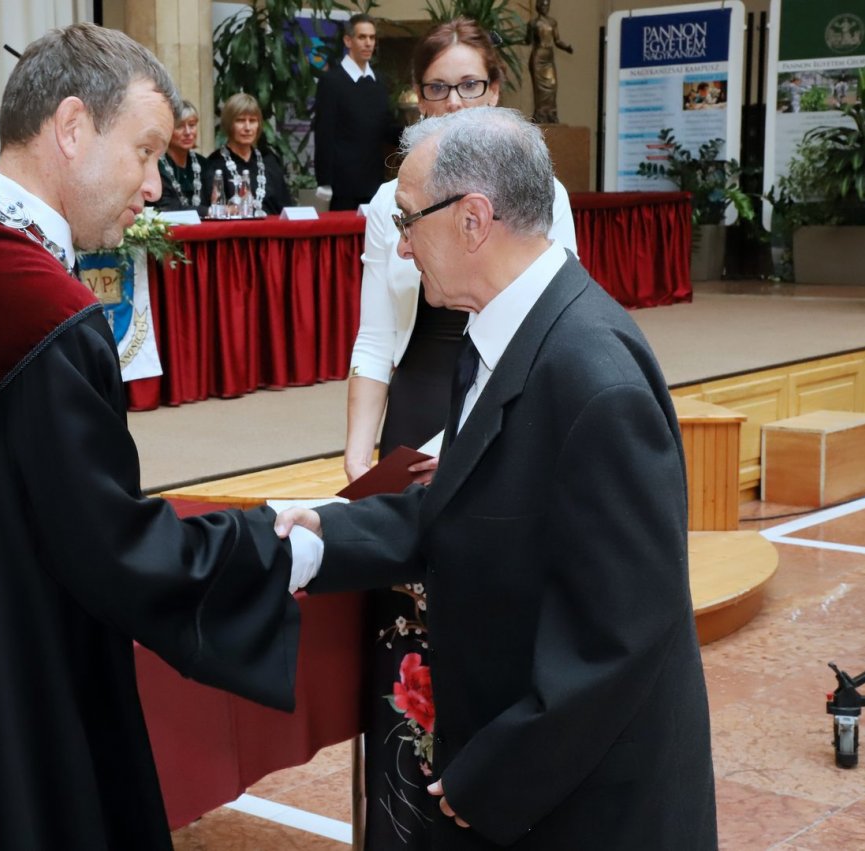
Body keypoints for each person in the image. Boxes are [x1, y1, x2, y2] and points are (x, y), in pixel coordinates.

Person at [0, 24, 321, 850]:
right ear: (70, 127)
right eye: (145, 151)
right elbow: (112, 546)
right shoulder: (44, 310)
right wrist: (272, 549)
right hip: (20, 703)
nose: (155, 185)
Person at [279, 106, 717, 849]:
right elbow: (461, 507)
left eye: (409, 221)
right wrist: (325, 532)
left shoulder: (595, 379)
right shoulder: (502, 332)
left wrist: (492, 775)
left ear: (473, 220)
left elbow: (621, 638)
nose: (403, 246)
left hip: (587, 809)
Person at [342, 19, 577, 847]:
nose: (452, 103)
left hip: (501, 409)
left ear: (496, 92)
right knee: (404, 636)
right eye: (436, 89)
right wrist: (360, 457)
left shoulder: (540, 193)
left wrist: (466, 444)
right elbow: (374, 340)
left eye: (468, 86)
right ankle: (403, 823)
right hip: (416, 409)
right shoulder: (389, 203)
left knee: (488, 619)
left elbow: (552, 328)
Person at [313, 13, 396, 211]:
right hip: (343, 187)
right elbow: (324, 132)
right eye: (362, 37)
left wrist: (418, 131)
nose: (368, 43)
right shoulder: (331, 81)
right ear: (348, 41)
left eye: (372, 37)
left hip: (375, 183)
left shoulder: (379, 82)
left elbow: (385, 128)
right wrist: (324, 181)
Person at [206, 93, 293, 215]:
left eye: (252, 121)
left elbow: (287, 208)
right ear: (228, 124)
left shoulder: (269, 160)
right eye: (240, 120)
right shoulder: (215, 164)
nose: (247, 128)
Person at [153, 99, 210, 214]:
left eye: (192, 125)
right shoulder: (156, 165)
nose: (188, 132)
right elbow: (168, 208)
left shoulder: (203, 163)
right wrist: (208, 211)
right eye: (179, 126)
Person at [527, 0, 573, 124]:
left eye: (547, 5)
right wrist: (509, 40)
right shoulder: (533, 23)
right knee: (539, 89)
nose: (545, 7)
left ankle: (551, 113)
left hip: (548, 57)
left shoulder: (552, 22)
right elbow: (527, 40)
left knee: (552, 85)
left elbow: (557, 41)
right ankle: (541, 115)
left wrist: (567, 47)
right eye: (543, 5)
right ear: (538, 6)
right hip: (538, 57)